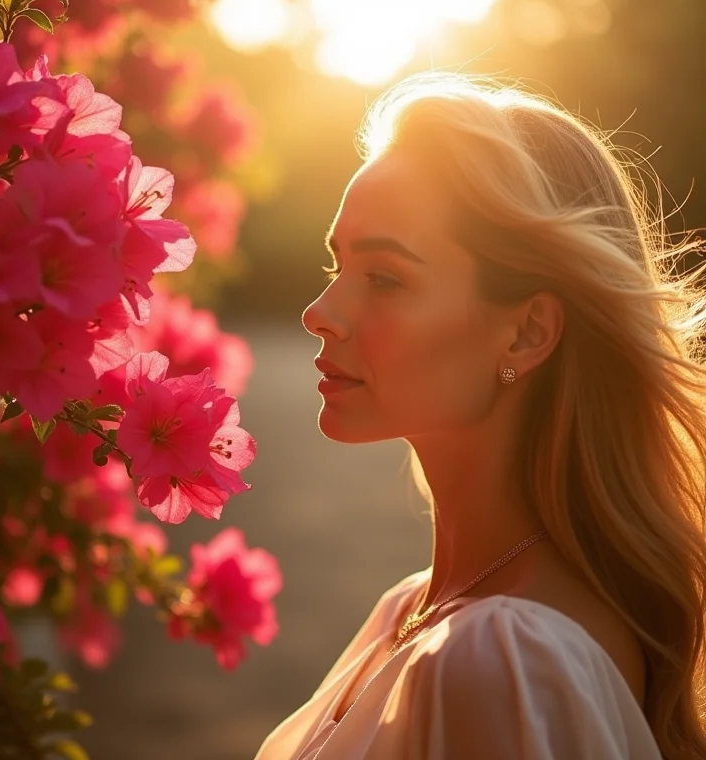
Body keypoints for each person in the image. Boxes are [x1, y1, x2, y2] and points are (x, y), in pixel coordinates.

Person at [253, 72, 706, 759]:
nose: (321, 314)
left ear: (527, 334)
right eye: (336, 265)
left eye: (385, 279)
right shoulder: (411, 613)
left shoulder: (503, 661)